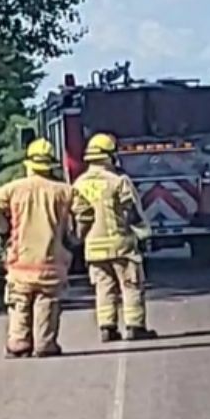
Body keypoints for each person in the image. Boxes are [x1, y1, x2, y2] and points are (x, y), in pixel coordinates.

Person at [0, 137, 74, 358]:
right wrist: (75, 236)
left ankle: (18, 344)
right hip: (52, 263)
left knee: (20, 302)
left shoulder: (13, 190)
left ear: (29, 165)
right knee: (47, 302)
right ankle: (45, 344)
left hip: (20, 262)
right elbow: (84, 211)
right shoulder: (65, 191)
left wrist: (2, 226)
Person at [72, 133, 156, 343]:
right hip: (121, 245)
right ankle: (135, 326)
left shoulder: (78, 184)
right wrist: (144, 235)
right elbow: (131, 212)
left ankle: (107, 327)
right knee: (131, 285)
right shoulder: (119, 181)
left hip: (93, 247)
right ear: (110, 156)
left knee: (104, 288)